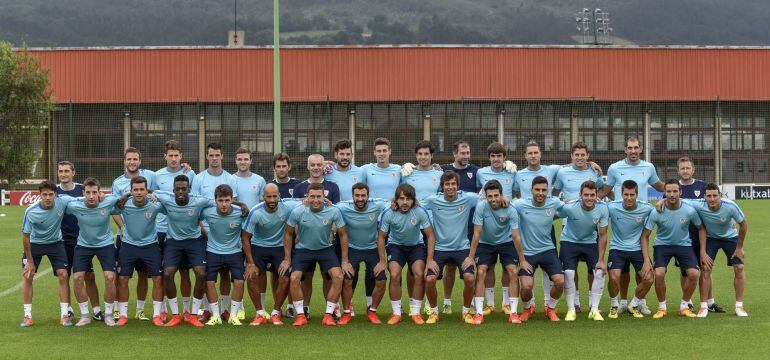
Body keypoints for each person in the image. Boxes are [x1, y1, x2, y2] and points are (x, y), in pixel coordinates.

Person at [599, 135, 664, 315]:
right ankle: (622, 302)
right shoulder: (615, 168)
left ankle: (640, 302)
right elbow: (605, 190)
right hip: (620, 218)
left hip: (641, 219)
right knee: (622, 270)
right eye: (630, 148)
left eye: (636, 148)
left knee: (640, 270)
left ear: (641, 149)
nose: (633, 151)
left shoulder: (648, 167)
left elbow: (659, 186)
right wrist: (590, 199)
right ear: (625, 150)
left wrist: (675, 190)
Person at [280, 183, 350, 327]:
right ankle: (300, 316)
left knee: (338, 276)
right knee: (294, 277)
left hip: (326, 250)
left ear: (324, 197)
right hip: (303, 250)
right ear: (307, 197)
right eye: (312, 196)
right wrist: (287, 259)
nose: (316, 200)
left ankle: (328, 315)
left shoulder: (333, 211)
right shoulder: (298, 211)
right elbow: (287, 234)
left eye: (319, 196)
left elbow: (343, 235)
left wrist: (344, 261)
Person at [673, 183, 748, 317]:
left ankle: (739, 306)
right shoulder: (699, 204)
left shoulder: (730, 206)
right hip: (711, 238)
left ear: (720, 195)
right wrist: (661, 200)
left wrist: (740, 247)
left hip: (730, 238)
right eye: (709, 196)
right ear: (704, 197)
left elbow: (743, 223)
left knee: (739, 267)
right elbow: (678, 199)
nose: (712, 199)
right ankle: (704, 307)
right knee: (706, 268)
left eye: (715, 196)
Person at [464, 141, 517, 315]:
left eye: (499, 156)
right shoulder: (480, 172)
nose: (496, 159)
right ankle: (490, 303)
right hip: (487, 226)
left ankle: (506, 303)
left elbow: (518, 193)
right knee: (489, 267)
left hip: (506, 226)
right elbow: (479, 191)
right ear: (489, 158)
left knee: (507, 268)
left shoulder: (512, 172)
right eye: (493, 156)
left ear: (504, 158)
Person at [155, 175, 214, 327]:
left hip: (194, 241)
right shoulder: (166, 199)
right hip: (173, 242)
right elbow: (150, 192)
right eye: (178, 189)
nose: (180, 191)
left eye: (184, 189)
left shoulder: (199, 200)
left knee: (201, 273)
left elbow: (220, 201)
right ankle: (175, 315)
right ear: (173, 190)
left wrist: (240, 204)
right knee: (167, 274)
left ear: (189, 189)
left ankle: (193, 315)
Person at [422, 171, 480, 324]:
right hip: (439, 249)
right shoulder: (433, 200)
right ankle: (434, 312)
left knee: (469, 278)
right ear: (442, 187)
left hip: (461, 248)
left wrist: (505, 199)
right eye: (447, 184)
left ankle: (466, 312)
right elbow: (414, 205)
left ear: (458, 186)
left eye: (453, 184)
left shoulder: (467, 198)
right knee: (429, 279)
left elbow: (487, 199)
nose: (450, 187)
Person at [241, 183, 304, 326]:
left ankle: (276, 313)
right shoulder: (255, 212)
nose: (272, 200)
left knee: (285, 277)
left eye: (275, 196)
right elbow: (245, 238)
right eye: (268, 197)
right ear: (263, 197)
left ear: (279, 196)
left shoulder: (287, 206)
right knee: (251, 276)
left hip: (279, 248)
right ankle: (260, 314)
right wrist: (250, 263)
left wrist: (287, 259)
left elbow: (304, 200)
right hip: (259, 247)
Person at [641, 179, 703, 319]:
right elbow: (645, 236)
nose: (672, 194)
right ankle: (662, 307)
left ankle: (684, 306)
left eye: (675, 191)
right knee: (659, 274)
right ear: (664, 193)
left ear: (680, 192)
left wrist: (703, 251)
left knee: (693, 274)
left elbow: (701, 228)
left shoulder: (689, 210)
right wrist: (646, 259)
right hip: (662, 245)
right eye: (668, 191)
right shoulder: (657, 211)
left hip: (684, 245)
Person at [191, 142, 240, 320]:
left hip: (226, 234)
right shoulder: (198, 179)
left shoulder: (231, 179)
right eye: (211, 155)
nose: (214, 158)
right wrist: (203, 230)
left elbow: (233, 205)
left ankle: (225, 309)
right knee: (205, 274)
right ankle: (207, 310)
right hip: (204, 232)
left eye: (217, 155)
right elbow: (196, 209)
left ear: (222, 156)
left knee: (226, 274)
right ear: (207, 156)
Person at [324, 139, 372, 316]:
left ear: (352, 155)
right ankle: (335, 305)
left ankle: (349, 304)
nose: (345, 157)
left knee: (352, 268)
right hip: (332, 226)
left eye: (348, 154)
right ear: (335, 154)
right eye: (341, 154)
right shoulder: (327, 170)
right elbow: (314, 172)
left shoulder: (361, 171)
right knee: (332, 269)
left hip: (355, 226)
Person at [468, 180, 526, 325]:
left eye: (496, 195)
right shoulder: (481, 206)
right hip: (485, 243)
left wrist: (522, 260)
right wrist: (470, 257)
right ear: (485, 197)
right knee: (481, 271)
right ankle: (479, 313)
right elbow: (477, 233)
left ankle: (513, 313)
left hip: (506, 242)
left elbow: (516, 236)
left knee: (513, 272)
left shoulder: (511, 209)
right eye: (490, 196)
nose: (493, 199)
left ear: (501, 195)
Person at [64, 178, 121, 326]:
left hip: (106, 244)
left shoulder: (107, 202)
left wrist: (105, 195)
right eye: (87, 192)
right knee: (77, 278)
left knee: (109, 277)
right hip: (83, 245)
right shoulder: (75, 205)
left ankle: (108, 314)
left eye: (94, 192)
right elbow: (61, 199)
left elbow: (117, 197)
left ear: (99, 192)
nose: (91, 196)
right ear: (83, 193)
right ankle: (85, 316)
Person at [20, 181, 77, 327]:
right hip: (35, 244)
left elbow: (82, 199)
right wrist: (30, 261)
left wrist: (101, 196)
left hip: (55, 243)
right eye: (44, 194)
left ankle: (64, 315)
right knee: (28, 275)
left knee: (63, 274)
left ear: (55, 195)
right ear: (40, 195)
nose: (47, 197)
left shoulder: (62, 201)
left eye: (50, 194)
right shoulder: (31, 211)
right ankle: (27, 316)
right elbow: (25, 237)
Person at [377, 184, 435, 325]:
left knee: (418, 274)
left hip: (416, 246)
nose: (405, 202)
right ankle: (396, 313)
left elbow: (430, 235)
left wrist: (430, 260)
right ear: (395, 200)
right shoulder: (389, 213)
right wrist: (382, 261)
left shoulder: (420, 211)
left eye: (408, 199)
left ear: (413, 201)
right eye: (401, 198)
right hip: (396, 246)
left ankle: (416, 313)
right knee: (395, 274)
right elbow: (381, 237)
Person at [333, 182, 390, 324]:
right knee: (347, 280)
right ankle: (346, 313)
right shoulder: (342, 206)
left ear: (368, 196)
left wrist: (383, 261)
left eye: (363, 195)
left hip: (372, 249)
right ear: (352, 196)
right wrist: (344, 261)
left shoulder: (377, 205)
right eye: (357, 195)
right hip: (352, 249)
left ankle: (372, 312)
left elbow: (392, 202)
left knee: (381, 279)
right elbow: (328, 208)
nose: (360, 198)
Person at [111, 147, 157, 321]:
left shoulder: (151, 176)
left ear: (140, 160)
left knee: (143, 274)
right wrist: (123, 228)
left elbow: (161, 190)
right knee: (120, 275)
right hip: (124, 236)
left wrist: (185, 167)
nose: (132, 162)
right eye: (129, 159)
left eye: (135, 159)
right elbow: (114, 209)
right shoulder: (117, 183)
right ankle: (117, 309)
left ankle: (140, 310)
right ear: (124, 161)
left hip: (146, 236)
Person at [112, 177, 165, 326]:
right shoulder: (124, 205)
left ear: (146, 190)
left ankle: (156, 315)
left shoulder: (155, 205)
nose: (139, 192)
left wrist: (157, 194)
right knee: (122, 279)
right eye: (135, 190)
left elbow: (172, 204)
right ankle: (123, 315)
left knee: (158, 278)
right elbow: (107, 205)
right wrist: (123, 197)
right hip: (128, 245)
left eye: (142, 189)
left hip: (150, 245)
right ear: (131, 191)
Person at [513, 176, 565, 322]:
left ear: (548, 191)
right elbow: (506, 205)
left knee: (560, 281)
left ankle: (551, 308)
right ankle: (527, 308)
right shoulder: (520, 204)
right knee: (526, 287)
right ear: (531, 190)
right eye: (537, 190)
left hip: (547, 250)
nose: (540, 193)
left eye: (543, 190)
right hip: (527, 252)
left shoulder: (554, 202)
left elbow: (567, 207)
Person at [556, 181, 609, 322]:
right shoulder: (570, 207)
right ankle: (571, 309)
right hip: (569, 241)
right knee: (568, 273)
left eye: (592, 195)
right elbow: (554, 213)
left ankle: (594, 309)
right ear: (580, 195)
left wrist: (601, 260)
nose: (589, 198)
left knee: (599, 271)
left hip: (590, 242)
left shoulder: (603, 209)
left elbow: (603, 235)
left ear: (597, 196)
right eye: (586, 195)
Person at [154, 140, 195, 320]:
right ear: (165, 157)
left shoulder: (190, 173)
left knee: (185, 271)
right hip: (161, 229)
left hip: (184, 229)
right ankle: (162, 308)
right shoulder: (157, 175)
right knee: (164, 271)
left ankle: (186, 310)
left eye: (176, 155)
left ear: (181, 156)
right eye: (170, 156)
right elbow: (153, 197)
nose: (173, 159)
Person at [677, 157, 724, 312]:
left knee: (706, 269)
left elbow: (717, 204)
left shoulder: (702, 186)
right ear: (678, 170)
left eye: (688, 168)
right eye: (682, 168)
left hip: (704, 236)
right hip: (683, 237)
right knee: (685, 272)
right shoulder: (674, 188)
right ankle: (687, 301)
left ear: (693, 169)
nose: (685, 171)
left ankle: (710, 303)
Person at [56, 161, 100, 321]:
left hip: (83, 241)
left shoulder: (83, 190)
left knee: (89, 276)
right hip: (62, 241)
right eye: (60, 171)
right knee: (64, 276)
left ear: (73, 173)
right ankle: (67, 309)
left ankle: (96, 310)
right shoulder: (54, 192)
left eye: (67, 171)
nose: (63, 174)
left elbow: (96, 197)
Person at [606, 180, 655, 318]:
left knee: (649, 278)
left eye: (632, 194)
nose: (629, 197)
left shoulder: (646, 208)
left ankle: (633, 305)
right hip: (617, 248)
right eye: (626, 194)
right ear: (621, 194)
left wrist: (662, 202)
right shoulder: (612, 207)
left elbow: (659, 209)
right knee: (614, 278)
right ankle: (615, 305)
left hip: (637, 249)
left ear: (637, 194)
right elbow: (596, 207)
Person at [201, 185, 248, 326]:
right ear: (215, 200)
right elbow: (195, 218)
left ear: (231, 200)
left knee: (239, 281)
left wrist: (241, 204)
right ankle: (215, 315)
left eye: (227, 200)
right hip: (213, 251)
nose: (224, 204)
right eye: (220, 200)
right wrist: (205, 233)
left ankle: (233, 315)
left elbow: (247, 232)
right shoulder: (207, 212)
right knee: (209, 282)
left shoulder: (241, 212)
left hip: (234, 252)